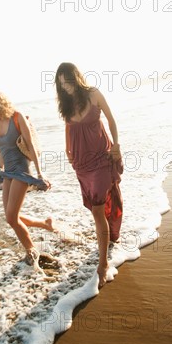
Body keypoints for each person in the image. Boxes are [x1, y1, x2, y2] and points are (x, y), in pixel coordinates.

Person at [55, 63, 123, 288]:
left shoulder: (94, 94)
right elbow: (68, 126)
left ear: (76, 77)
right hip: (82, 164)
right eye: (61, 83)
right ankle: (110, 236)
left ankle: (102, 264)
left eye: (68, 80)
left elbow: (111, 120)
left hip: (102, 158)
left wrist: (117, 145)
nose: (66, 86)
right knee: (98, 208)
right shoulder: (65, 104)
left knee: (96, 210)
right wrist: (67, 149)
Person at [0, 91, 53, 266]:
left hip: (21, 170)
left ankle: (32, 251)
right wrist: (0, 167)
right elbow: (1, 146)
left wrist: (40, 173)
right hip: (7, 171)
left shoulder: (18, 118)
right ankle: (45, 224)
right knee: (11, 216)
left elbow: (31, 145)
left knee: (12, 218)